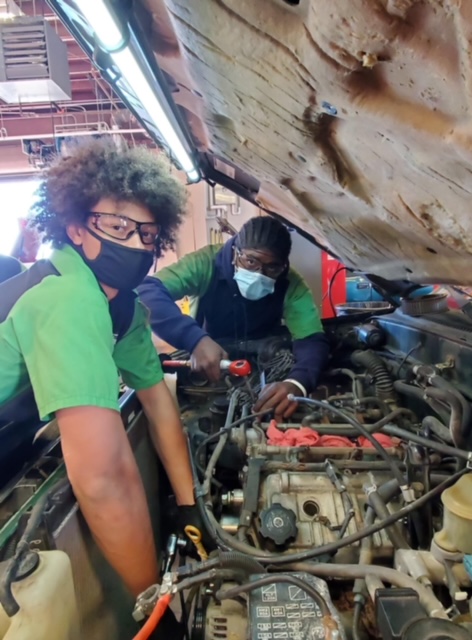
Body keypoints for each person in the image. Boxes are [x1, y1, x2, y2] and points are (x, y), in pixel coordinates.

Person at [0, 140, 206, 632]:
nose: (135, 244)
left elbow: (158, 404)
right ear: (75, 228)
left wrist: (187, 504)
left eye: (147, 233)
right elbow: (103, 477)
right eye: (117, 227)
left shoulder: (123, 307)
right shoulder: (67, 299)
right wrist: (154, 609)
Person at [139, 216, 330, 418]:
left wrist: (297, 382)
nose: (259, 273)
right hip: (210, 358)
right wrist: (193, 339)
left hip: (266, 358)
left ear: (283, 266)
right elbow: (146, 291)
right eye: (250, 261)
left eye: (272, 267)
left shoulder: (290, 283)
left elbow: (311, 338)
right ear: (234, 252)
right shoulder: (206, 263)